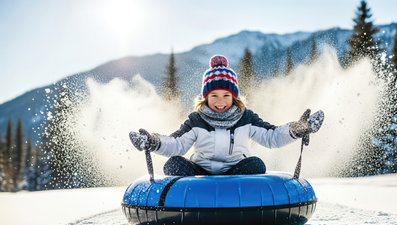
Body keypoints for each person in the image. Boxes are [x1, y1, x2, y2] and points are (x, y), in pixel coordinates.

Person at [129, 55, 323, 176]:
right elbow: (177, 143)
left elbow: (271, 136)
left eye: (226, 96)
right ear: (205, 97)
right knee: (174, 165)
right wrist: (153, 142)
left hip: (235, 170)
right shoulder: (196, 120)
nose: (220, 101)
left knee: (256, 165)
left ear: (234, 97)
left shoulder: (246, 118)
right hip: (202, 171)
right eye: (213, 95)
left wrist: (297, 130)